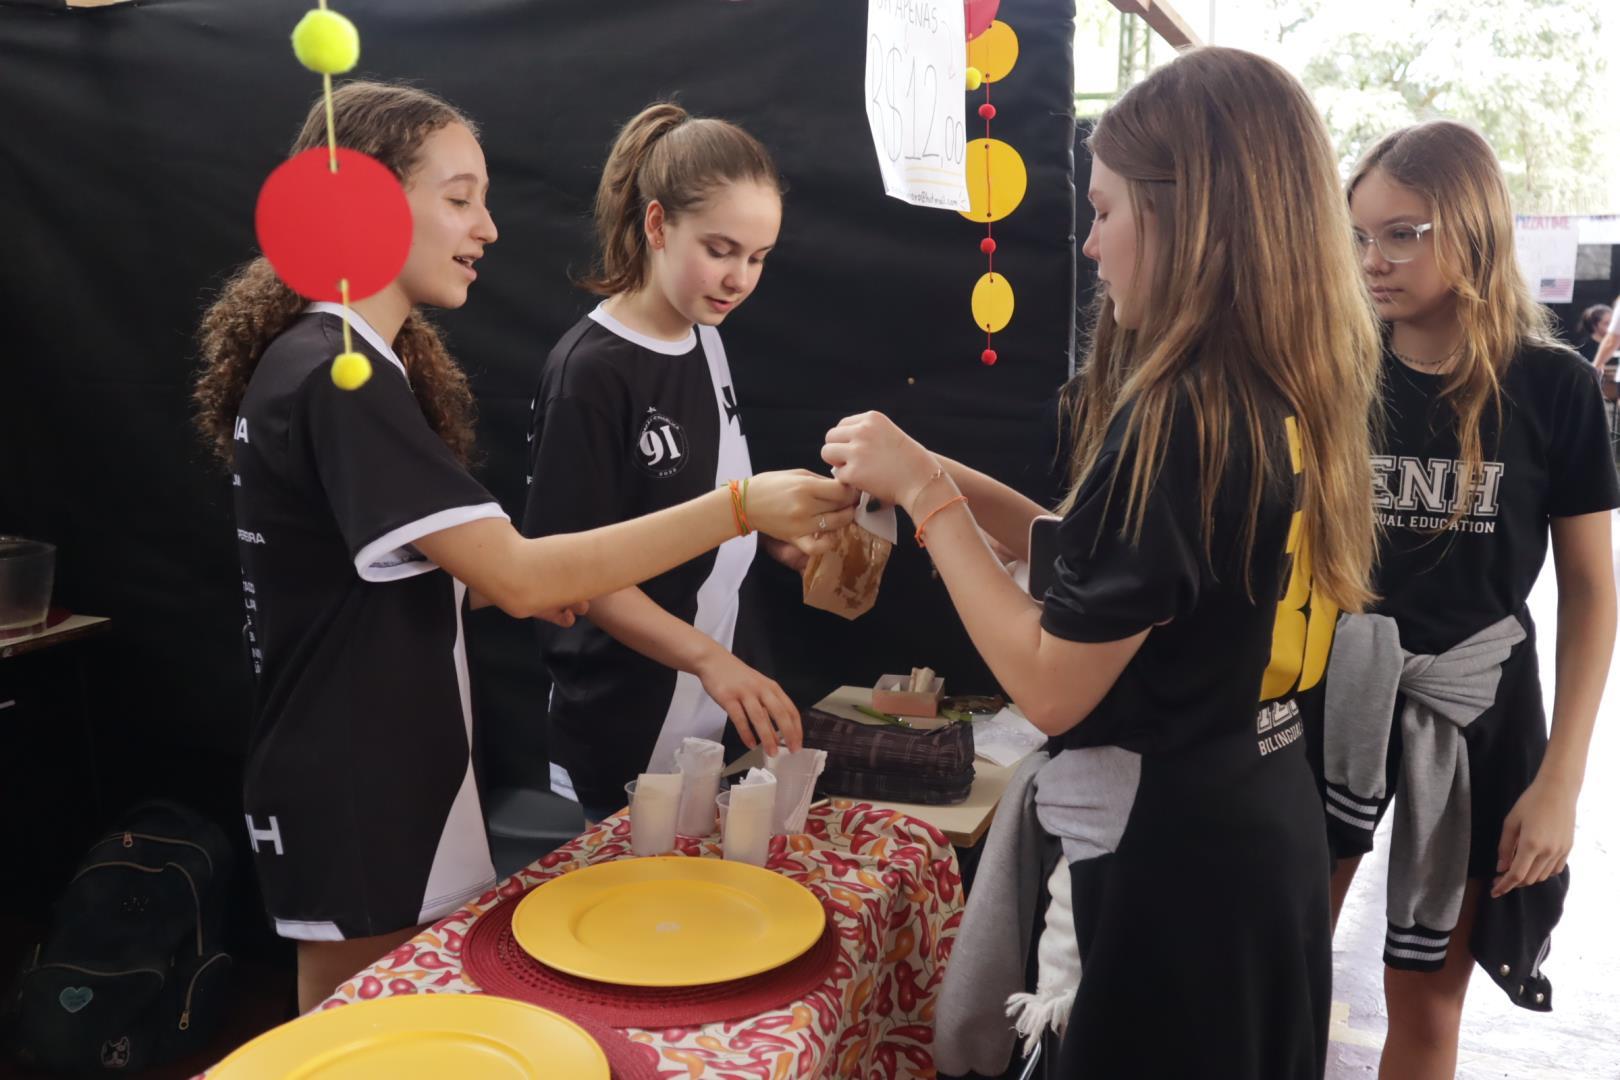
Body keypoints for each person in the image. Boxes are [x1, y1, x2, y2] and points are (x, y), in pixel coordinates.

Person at [192, 82, 855, 1012]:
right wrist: (739, 507)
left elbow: (472, 580)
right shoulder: (337, 374)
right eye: (459, 197)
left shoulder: (345, 364)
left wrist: (518, 584)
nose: (488, 228)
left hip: (391, 765)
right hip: (358, 778)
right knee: (357, 1042)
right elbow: (520, 565)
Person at [821, 47, 1380, 1078]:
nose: (1089, 245)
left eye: (1107, 211)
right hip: (1263, 822)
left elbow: (1054, 682)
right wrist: (931, 470)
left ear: (1188, 216)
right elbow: (1117, 572)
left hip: (1174, 869)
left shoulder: (1180, 416)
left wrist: (930, 500)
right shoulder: (1275, 393)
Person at [1325, 119, 1617, 1079]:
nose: (1376, 260)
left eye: (1404, 233)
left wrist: (1562, 780)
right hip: (1328, 695)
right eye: (1362, 234)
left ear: (1475, 227)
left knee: (1427, 998)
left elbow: (1590, 590)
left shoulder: (1553, 387)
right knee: (1280, 958)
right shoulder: (1333, 367)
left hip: (1480, 709)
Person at [522, 103, 820, 821]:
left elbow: (703, 507)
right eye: (721, 250)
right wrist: (711, 662)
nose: (740, 278)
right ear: (657, 225)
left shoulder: (706, 337)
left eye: (758, 258)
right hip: (623, 714)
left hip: (705, 707)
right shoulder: (589, 373)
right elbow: (574, 574)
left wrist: (776, 541)